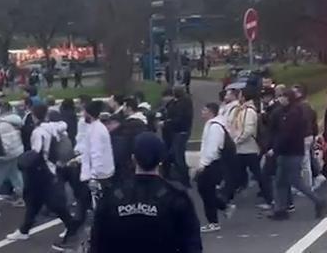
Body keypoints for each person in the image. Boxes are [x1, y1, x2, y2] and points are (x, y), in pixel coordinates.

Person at [89, 132, 202, 252]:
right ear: (161, 160)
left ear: (133, 158)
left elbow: (97, 243)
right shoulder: (176, 197)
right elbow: (192, 245)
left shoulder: (112, 196)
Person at [7, 104, 83, 250]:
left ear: (34, 116)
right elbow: (63, 125)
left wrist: (25, 161)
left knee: (51, 203)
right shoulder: (53, 127)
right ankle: (24, 230)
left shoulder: (39, 132)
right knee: (34, 201)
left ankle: (71, 226)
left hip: (42, 171)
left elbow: (37, 152)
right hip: (51, 168)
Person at [268, 87, 327, 220]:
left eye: (283, 96)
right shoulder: (282, 112)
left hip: (292, 152)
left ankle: (319, 201)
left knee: (295, 181)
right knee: (280, 181)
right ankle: (280, 210)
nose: (280, 99)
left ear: (289, 98)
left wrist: (275, 149)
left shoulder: (295, 113)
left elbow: (287, 134)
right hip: (285, 152)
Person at [195, 103, 235, 232]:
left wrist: (203, 164)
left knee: (206, 191)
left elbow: (212, 148)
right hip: (212, 163)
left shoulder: (215, 127)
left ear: (211, 112)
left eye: (204, 110)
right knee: (206, 191)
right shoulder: (214, 125)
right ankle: (224, 207)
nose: (202, 112)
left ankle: (213, 221)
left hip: (212, 163)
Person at [0, 102, 25, 206]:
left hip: (6, 154)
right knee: (15, 175)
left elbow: (5, 142)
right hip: (17, 151)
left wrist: (0, 154)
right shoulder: (16, 120)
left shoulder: (3, 125)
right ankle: (22, 197)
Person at [166, 87, 193, 187]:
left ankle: (185, 179)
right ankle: (177, 175)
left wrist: (167, 122)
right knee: (175, 154)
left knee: (178, 156)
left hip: (181, 132)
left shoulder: (183, 104)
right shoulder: (177, 102)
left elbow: (179, 118)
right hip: (180, 132)